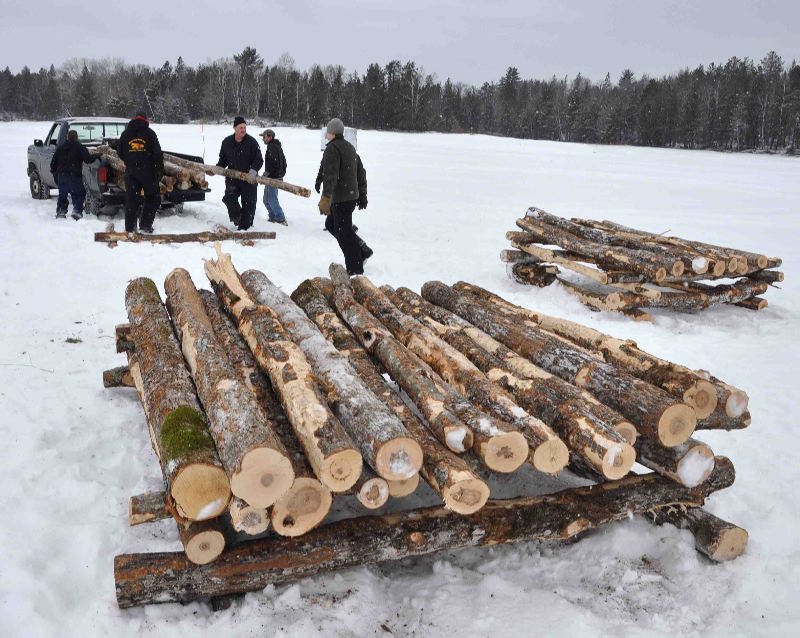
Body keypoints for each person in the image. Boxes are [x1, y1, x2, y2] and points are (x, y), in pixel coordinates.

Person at [318, 118, 371, 275]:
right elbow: (360, 173)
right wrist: (362, 195)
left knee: (344, 234)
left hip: (341, 198)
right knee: (332, 224)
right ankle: (362, 250)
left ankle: (355, 267)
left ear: (332, 132)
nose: (326, 133)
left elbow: (331, 175)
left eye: (328, 130)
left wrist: (326, 198)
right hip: (350, 197)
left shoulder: (332, 149)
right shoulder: (349, 147)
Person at [118, 111, 163, 233]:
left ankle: (130, 229)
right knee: (153, 198)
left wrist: (129, 160)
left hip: (131, 172)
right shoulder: (149, 133)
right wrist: (159, 169)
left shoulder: (125, 134)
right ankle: (145, 225)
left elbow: (119, 152)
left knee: (132, 200)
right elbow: (158, 153)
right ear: (146, 120)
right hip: (148, 171)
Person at [217, 116, 263, 230]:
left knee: (249, 205)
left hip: (249, 179)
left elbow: (259, 160)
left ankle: (245, 228)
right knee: (229, 198)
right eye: (240, 127)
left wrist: (252, 172)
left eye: (244, 127)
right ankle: (237, 218)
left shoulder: (251, 142)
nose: (243, 129)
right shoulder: (226, 142)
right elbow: (223, 160)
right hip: (233, 178)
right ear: (234, 128)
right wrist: (217, 168)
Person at [50, 129, 94, 220]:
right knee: (80, 193)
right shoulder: (80, 147)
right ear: (77, 137)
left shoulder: (60, 148)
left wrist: (54, 172)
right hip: (75, 175)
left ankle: (61, 212)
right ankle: (77, 211)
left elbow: (53, 163)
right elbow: (88, 159)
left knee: (62, 195)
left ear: (67, 137)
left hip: (62, 175)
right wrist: (97, 156)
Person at [260, 129, 288, 225]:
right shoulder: (275, 146)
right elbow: (283, 163)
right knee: (266, 200)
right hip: (274, 177)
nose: (263, 139)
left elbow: (274, 163)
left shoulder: (272, 147)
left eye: (264, 137)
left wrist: (268, 173)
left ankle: (280, 218)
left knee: (271, 199)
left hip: (273, 178)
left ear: (270, 137)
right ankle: (273, 216)